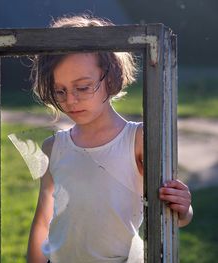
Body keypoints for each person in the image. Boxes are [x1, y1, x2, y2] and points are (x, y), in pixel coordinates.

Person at [27, 15, 193, 263]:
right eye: (60, 91)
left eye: (83, 87)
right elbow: (43, 219)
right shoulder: (53, 147)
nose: (70, 100)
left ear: (112, 78)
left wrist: (184, 208)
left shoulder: (138, 139)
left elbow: (173, 216)